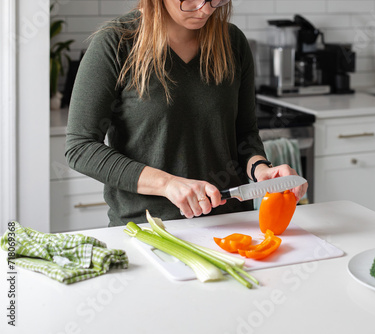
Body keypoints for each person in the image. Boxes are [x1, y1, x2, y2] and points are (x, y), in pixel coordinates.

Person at [65, 0, 307, 226]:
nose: (204, 9)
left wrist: (261, 169)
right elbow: (80, 147)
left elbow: (244, 133)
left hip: (231, 224)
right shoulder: (117, 42)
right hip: (150, 228)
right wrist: (167, 184)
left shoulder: (233, 42)